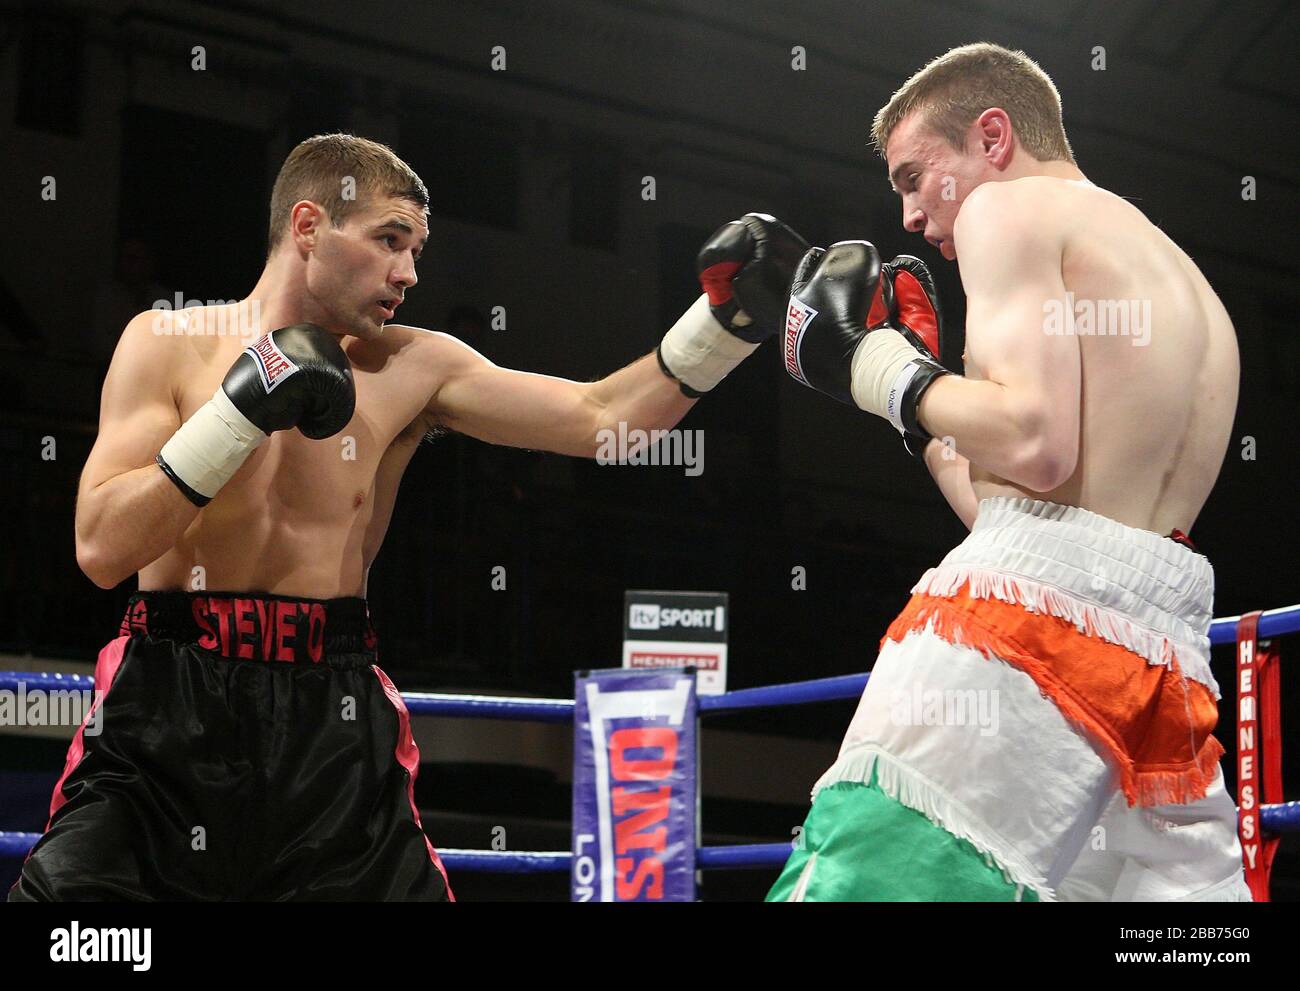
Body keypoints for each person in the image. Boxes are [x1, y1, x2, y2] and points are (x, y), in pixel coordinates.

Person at [9, 132, 808, 901]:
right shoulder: (167, 342)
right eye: (391, 240)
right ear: (309, 225)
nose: (409, 271)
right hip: (165, 709)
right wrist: (237, 413)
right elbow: (101, 548)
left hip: (333, 714)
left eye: (416, 251)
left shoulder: (413, 366)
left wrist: (727, 323)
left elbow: (605, 418)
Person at [770, 43, 1248, 901]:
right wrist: (915, 409)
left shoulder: (1009, 211)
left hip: (1021, 645)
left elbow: (1035, 444)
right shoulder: (1191, 287)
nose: (912, 215)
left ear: (993, 136)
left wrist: (877, 366)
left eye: (916, 177)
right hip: (1159, 668)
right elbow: (1032, 511)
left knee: (861, 882)